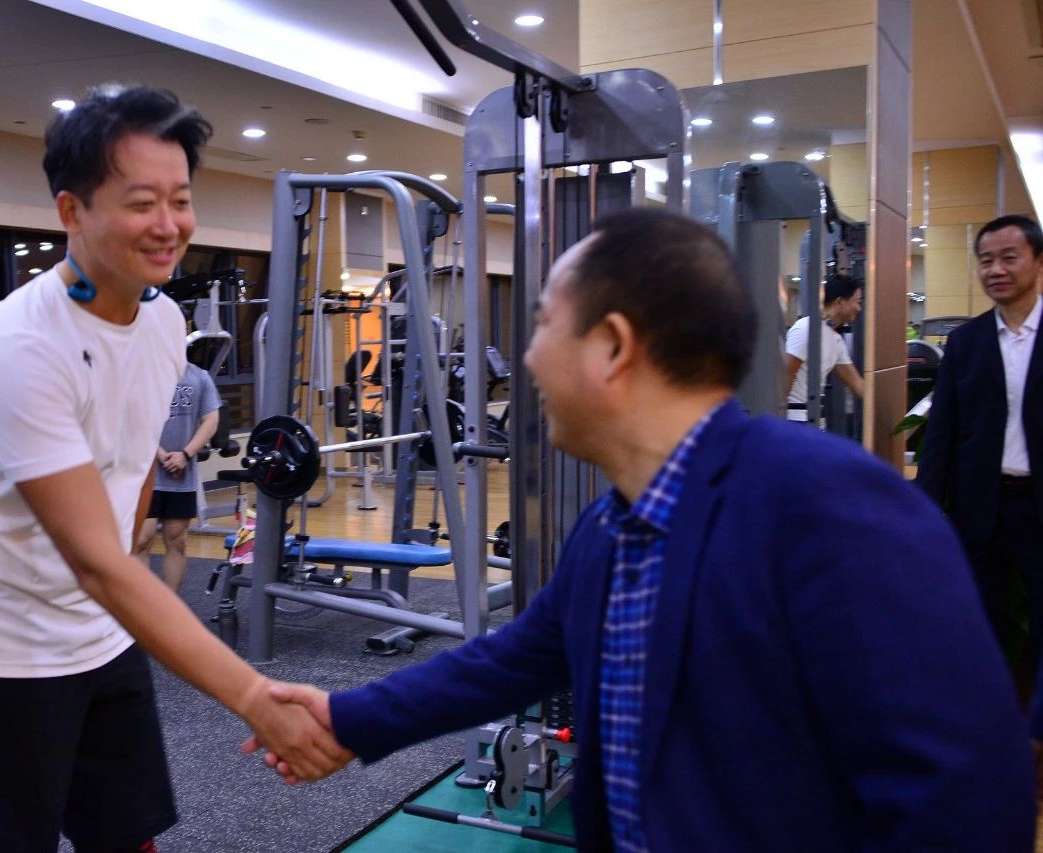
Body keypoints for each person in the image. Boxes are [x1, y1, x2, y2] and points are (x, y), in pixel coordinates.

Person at [256, 209, 1035, 850]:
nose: (527, 359)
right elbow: (513, 659)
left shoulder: (832, 508)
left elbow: (964, 798)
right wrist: (348, 719)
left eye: (544, 324)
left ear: (613, 346)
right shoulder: (611, 527)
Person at [0, 84, 348, 853]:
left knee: (127, 836)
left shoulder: (164, 320)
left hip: (103, 630)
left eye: (180, 200)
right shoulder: (22, 342)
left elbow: (135, 461)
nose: (169, 224)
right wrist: (255, 695)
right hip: (0, 645)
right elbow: (95, 561)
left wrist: (131, 581)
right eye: (142, 202)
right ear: (71, 211)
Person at [917, 214, 1043, 675]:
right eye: (986, 260)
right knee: (980, 621)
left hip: (1037, 506)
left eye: (1009, 257)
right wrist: (925, 511)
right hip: (981, 506)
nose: (996, 269)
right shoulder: (965, 343)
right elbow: (942, 433)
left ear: (1038, 262)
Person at [135, 361, 221, 593]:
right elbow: (132, 420)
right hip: (146, 473)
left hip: (182, 474)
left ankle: (168, 604)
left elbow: (211, 420)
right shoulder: (140, 372)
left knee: (177, 540)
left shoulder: (200, 377)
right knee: (141, 540)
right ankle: (141, 606)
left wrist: (185, 454)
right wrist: (160, 454)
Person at [783, 273, 865, 421]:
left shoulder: (836, 340)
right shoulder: (806, 328)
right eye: (857, 302)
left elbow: (858, 385)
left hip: (813, 419)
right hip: (794, 418)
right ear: (840, 301)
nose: (859, 308)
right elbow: (786, 375)